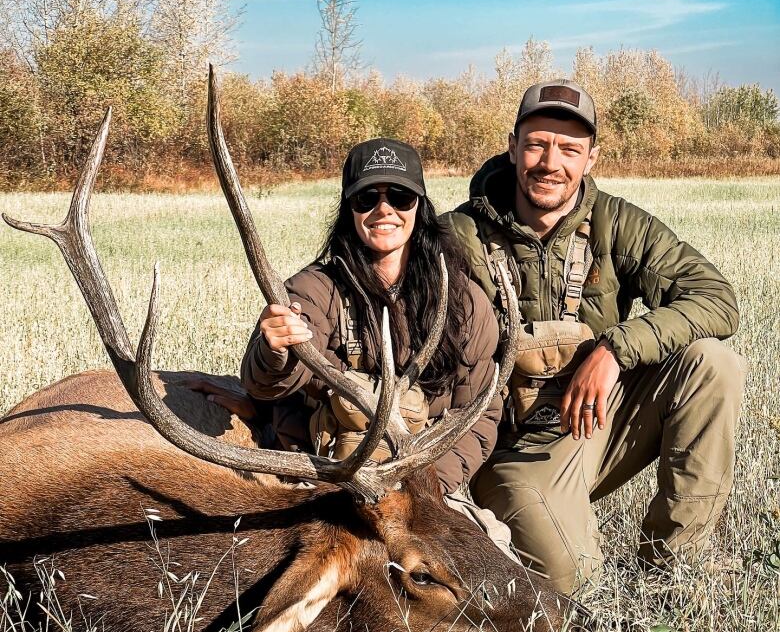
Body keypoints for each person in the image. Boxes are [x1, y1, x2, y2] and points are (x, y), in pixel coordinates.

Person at [443, 80, 746, 594]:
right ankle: (540, 526)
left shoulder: (615, 222)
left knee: (713, 363)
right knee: (571, 582)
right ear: (513, 147)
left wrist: (615, 348)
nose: (550, 162)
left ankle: (674, 559)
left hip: (594, 426)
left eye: (569, 149)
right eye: (537, 143)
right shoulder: (458, 235)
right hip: (511, 451)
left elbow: (717, 299)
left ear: (591, 158)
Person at [240, 138, 512, 548]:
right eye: (367, 197)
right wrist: (274, 351)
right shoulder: (314, 289)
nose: (384, 210)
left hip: (426, 488)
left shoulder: (464, 301)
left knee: (490, 560)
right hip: (328, 484)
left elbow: (480, 412)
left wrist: (431, 487)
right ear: (349, 209)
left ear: (419, 206)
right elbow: (266, 384)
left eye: (400, 197)